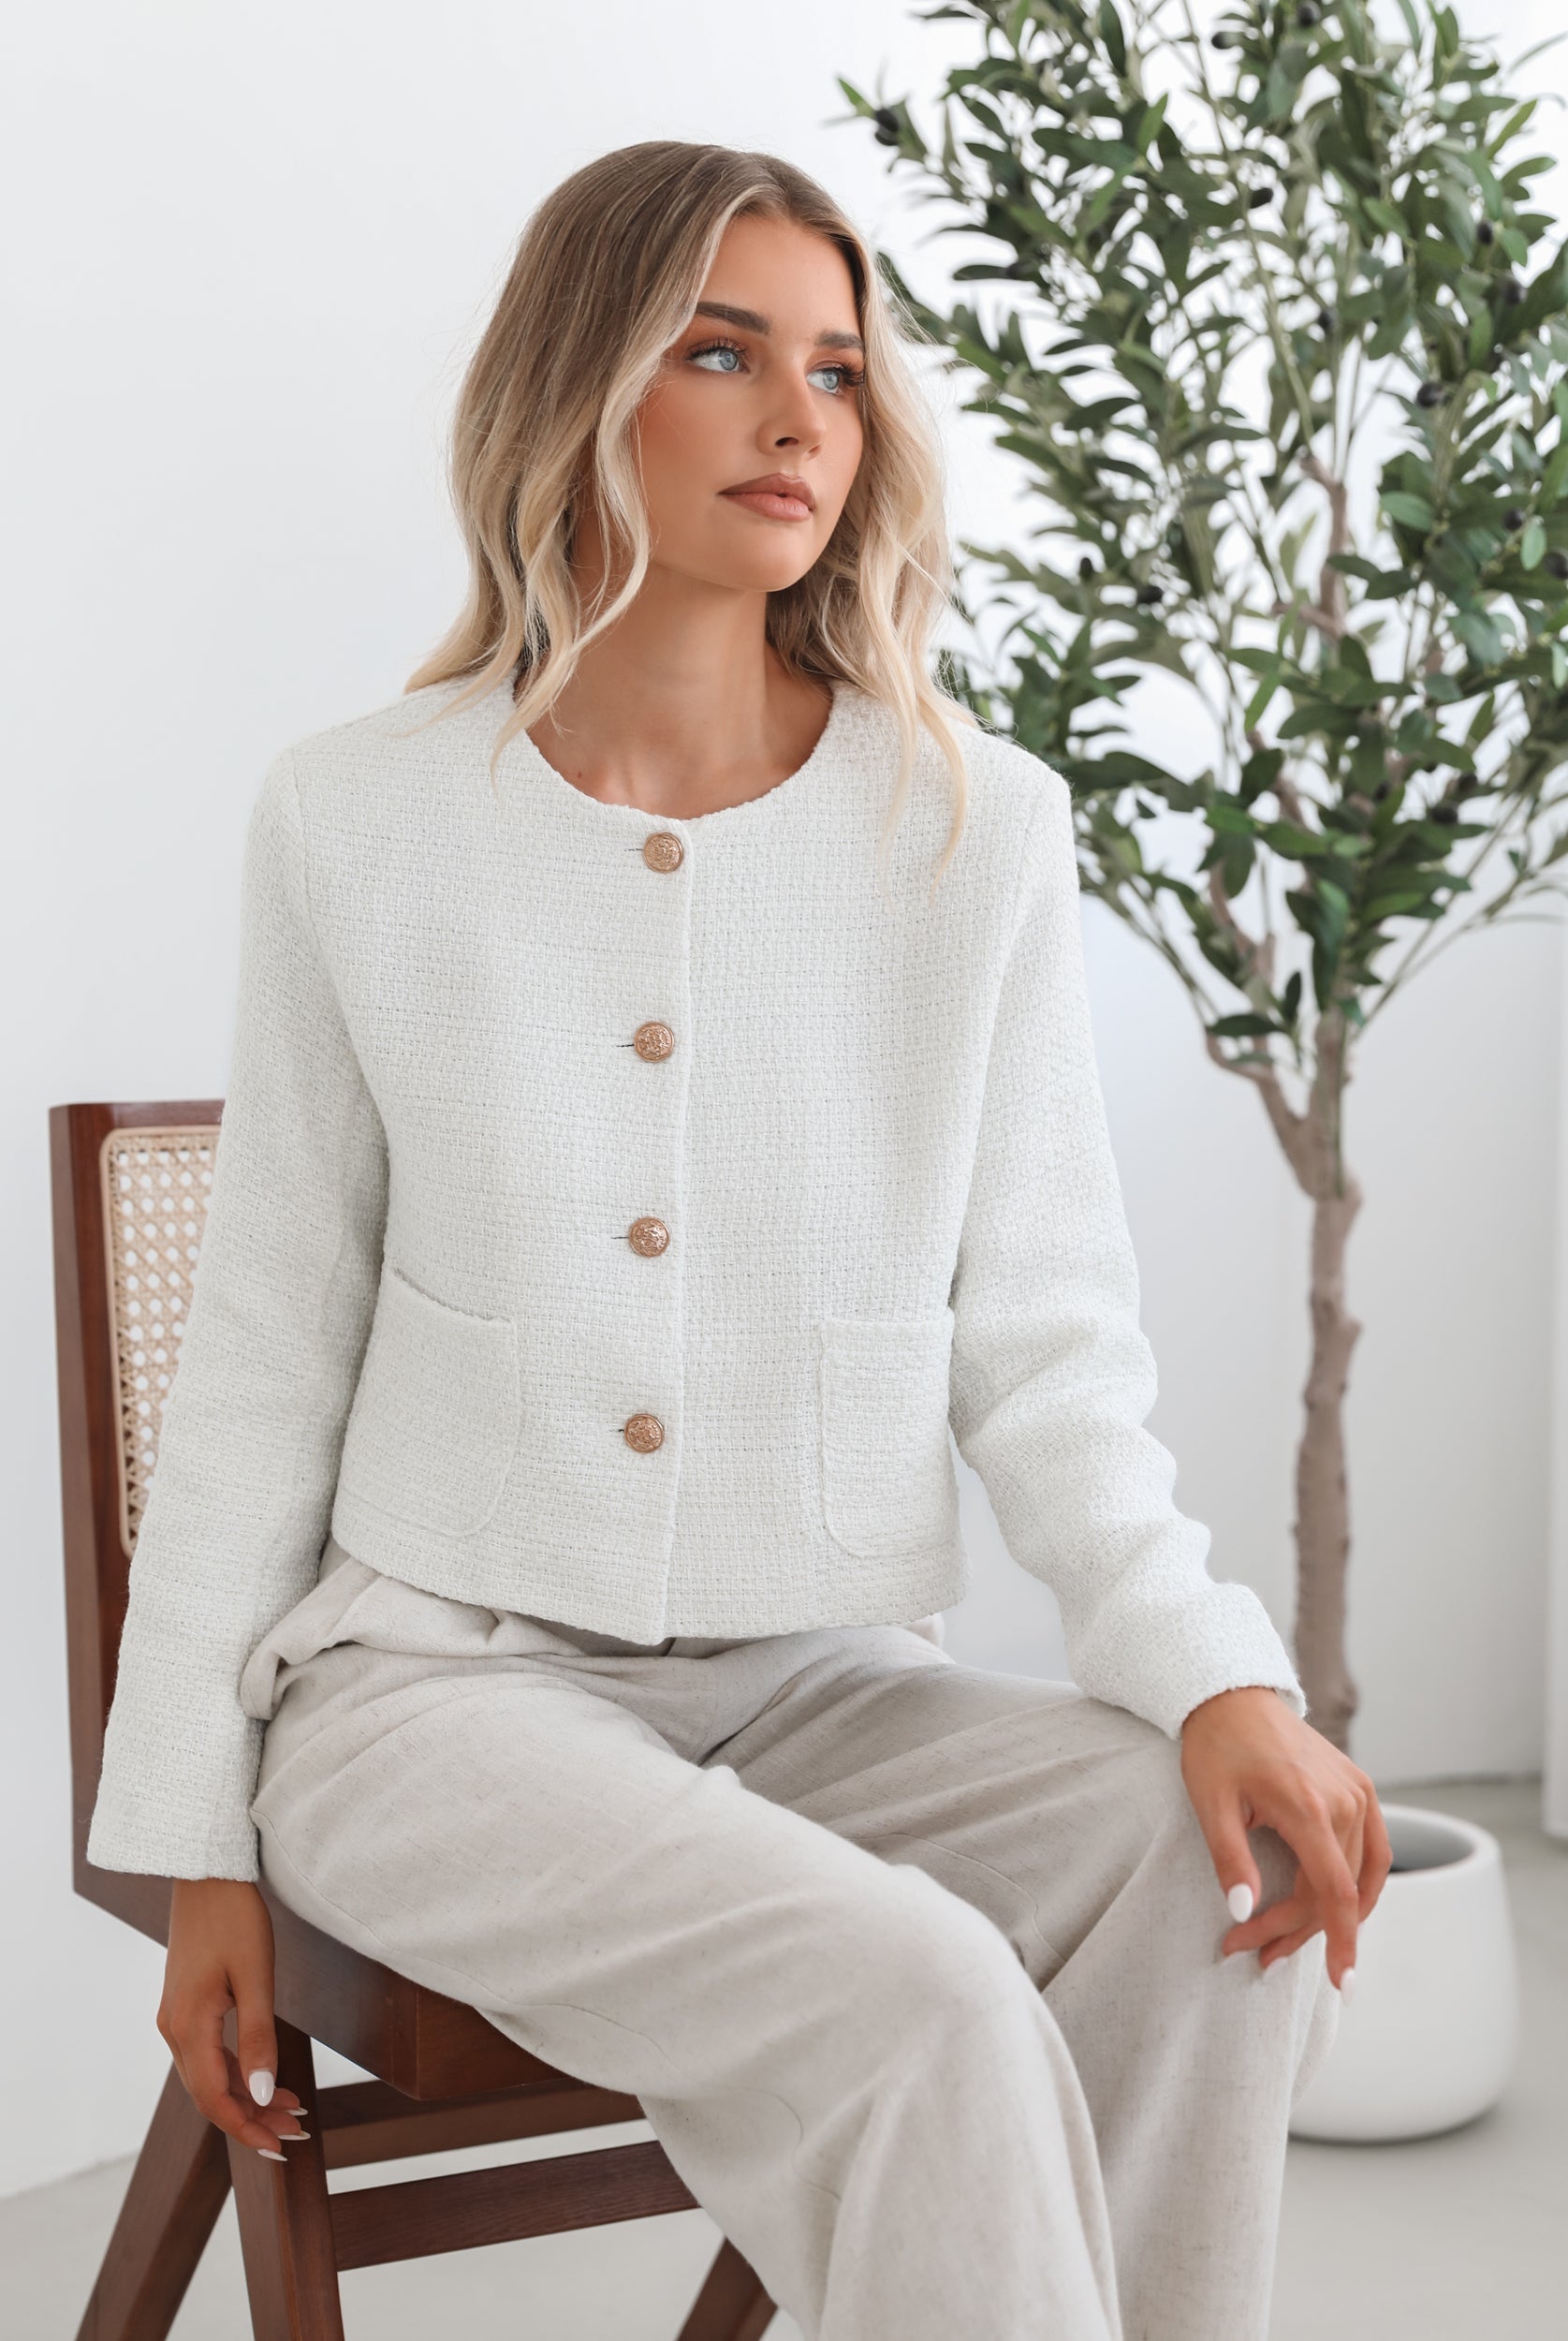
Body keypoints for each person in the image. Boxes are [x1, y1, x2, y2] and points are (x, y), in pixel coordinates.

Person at [86, 140, 1390, 2340]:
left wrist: (1218, 1671)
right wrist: (193, 1829)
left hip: (818, 1684)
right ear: (581, 389)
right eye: (721, 353)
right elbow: (269, 1343)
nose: (800, 418)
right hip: (431, 1697)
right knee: (921, 1995)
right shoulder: (359, 818)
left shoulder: (966, 830)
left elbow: (1047, 1349)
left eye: (839, 371)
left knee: (1212, 1868)